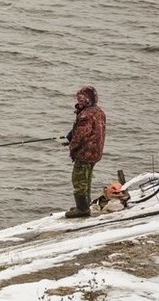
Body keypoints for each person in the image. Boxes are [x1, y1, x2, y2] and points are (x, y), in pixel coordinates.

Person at [64, 85, 106, 218]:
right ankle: (84, 205)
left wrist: (72, 146)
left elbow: (80, 135)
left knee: (79, 179)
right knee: (86, 178)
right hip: (95, 152)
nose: (79, 101)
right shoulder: (98, 111)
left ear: (88, 99)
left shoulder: (86, 115)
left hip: (85, 153)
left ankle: (82, 209)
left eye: (81, 99)